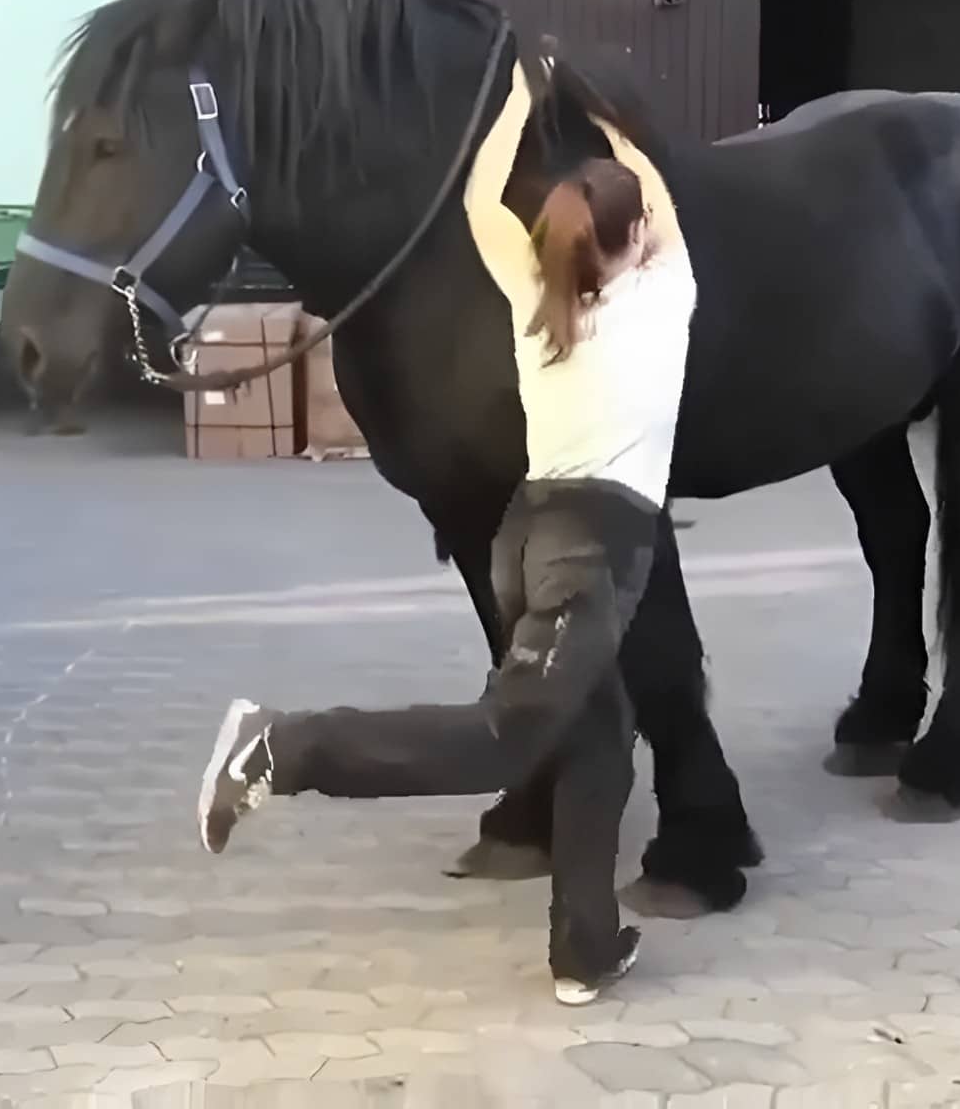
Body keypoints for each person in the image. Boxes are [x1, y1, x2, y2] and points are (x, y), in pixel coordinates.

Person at [197, 98, 698, 1004]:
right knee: (510, 740)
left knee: (601, 737)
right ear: (635, 239)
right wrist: (616, 128)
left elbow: (478, 206)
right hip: (594, 552)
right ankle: (281, 747)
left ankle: (584, 947)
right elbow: (659, 200)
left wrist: (509, 107)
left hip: (524, 537)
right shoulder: (663, 299)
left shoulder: (531, 298)